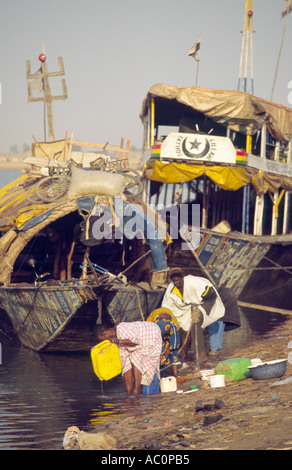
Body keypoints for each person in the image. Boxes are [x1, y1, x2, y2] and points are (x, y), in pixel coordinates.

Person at [161, 267, 225, 363]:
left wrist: (200, 304)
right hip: (188, 308)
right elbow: (166, 304)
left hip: (206, 302)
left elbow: (211, 291)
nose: (176, 283)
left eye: (177, 280)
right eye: (174, 281)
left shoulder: (193, 282)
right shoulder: (171, 288)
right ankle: (183, 357)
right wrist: (164, 314)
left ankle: (201, 354)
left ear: (182, 278)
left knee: (196, 322)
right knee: (183, 330)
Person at [96, 321, 162, 397]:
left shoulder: (122, 330)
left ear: (105, 333)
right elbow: (125, 364)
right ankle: (130, 392)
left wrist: (120, 341)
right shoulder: (115, 341)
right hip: (135, 341)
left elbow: (135, 342)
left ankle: (136, 390)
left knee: (136, 356)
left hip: (150, 335)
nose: (106, 341)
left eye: (104, 339)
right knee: (125, 361)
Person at [206, 286, 241, 358]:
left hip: (223, 298)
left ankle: (214, 349)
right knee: (220, 322)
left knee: (213, 325)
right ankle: (216, 348)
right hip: (226, 297)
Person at [146, 307, 181, 377]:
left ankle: (175, 377)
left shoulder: (172, 326)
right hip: (155, 337)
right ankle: (155, 376)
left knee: (173, 353)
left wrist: (166, 354)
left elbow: (173, 342)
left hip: (166, 335)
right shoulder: (151, 326)